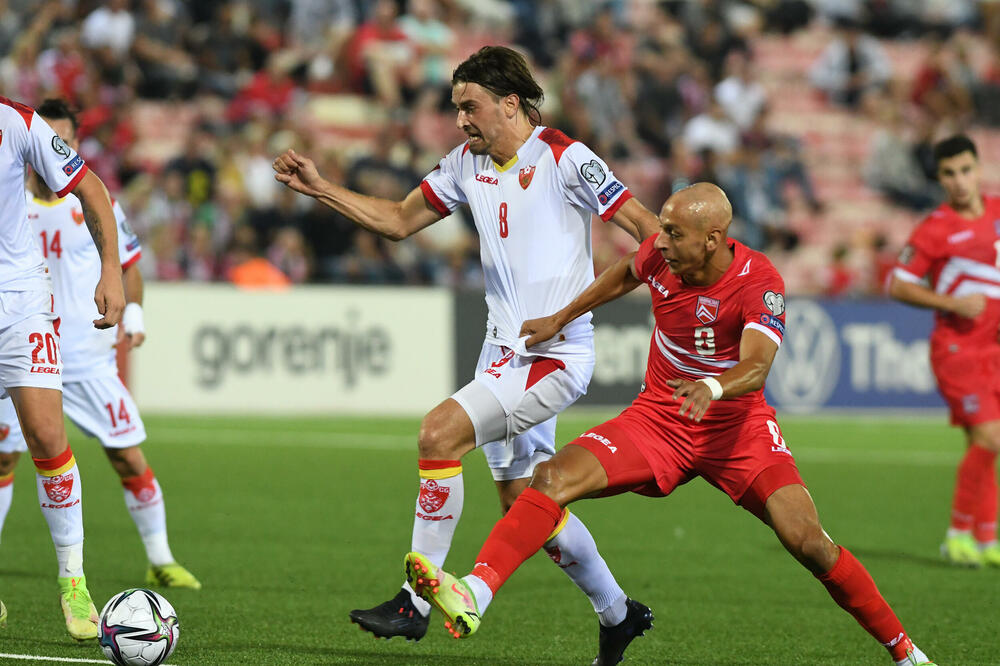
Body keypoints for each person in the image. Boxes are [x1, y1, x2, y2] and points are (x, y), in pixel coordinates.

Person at [404, 183, 935, 666]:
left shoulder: (759, 281)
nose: (660, 241)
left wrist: (712, 386)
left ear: (713, 239)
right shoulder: (661, 256)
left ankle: (906, 653)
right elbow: (624, 272)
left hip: (738, 430)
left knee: (808, 541)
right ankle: (476, 591)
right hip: (660, 419)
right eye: (662, 229)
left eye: (675, 233)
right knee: (550, 479)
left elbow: (757, 366)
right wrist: (561, 319)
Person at [274, 45, 661, 662]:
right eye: (456, 108)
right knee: (526, 502)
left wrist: (667, 294)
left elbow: (647, 229)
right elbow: (398, 221)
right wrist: (321, 189)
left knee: (439, 434)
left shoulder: (566, 158)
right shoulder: (463, 163)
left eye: (470, 106)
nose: (460, 120)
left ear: (510, 104)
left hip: (554, 355)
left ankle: (415, 602)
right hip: (500, 353)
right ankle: (618, 614)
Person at [0, 99, 200, 596]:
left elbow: (129, 264)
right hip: (23, 345)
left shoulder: (93, 202)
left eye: (65, 138)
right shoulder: (13, 199)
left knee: (126, 455)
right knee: (4, 460)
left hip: (86, 357)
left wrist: (134, 313)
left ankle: (161, 559)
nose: (57, 146)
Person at [0, 95, 124, 640]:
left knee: (48, 437)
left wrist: (111, 270)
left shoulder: (16, 121)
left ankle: (73, 581)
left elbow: (90, 187)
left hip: (19, 298)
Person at [889, 135, 1000, 567]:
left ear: (978, 168)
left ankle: (986, 539)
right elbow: (898, 284)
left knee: (984, 443)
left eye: (965, 170)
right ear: (940, 179)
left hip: (993, 348)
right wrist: (951, 302)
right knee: (990, 437)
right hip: (957, 349)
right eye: (949, 174)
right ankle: (956, 534)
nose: (959, 181)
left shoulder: (997, 212)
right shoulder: (935, 228)